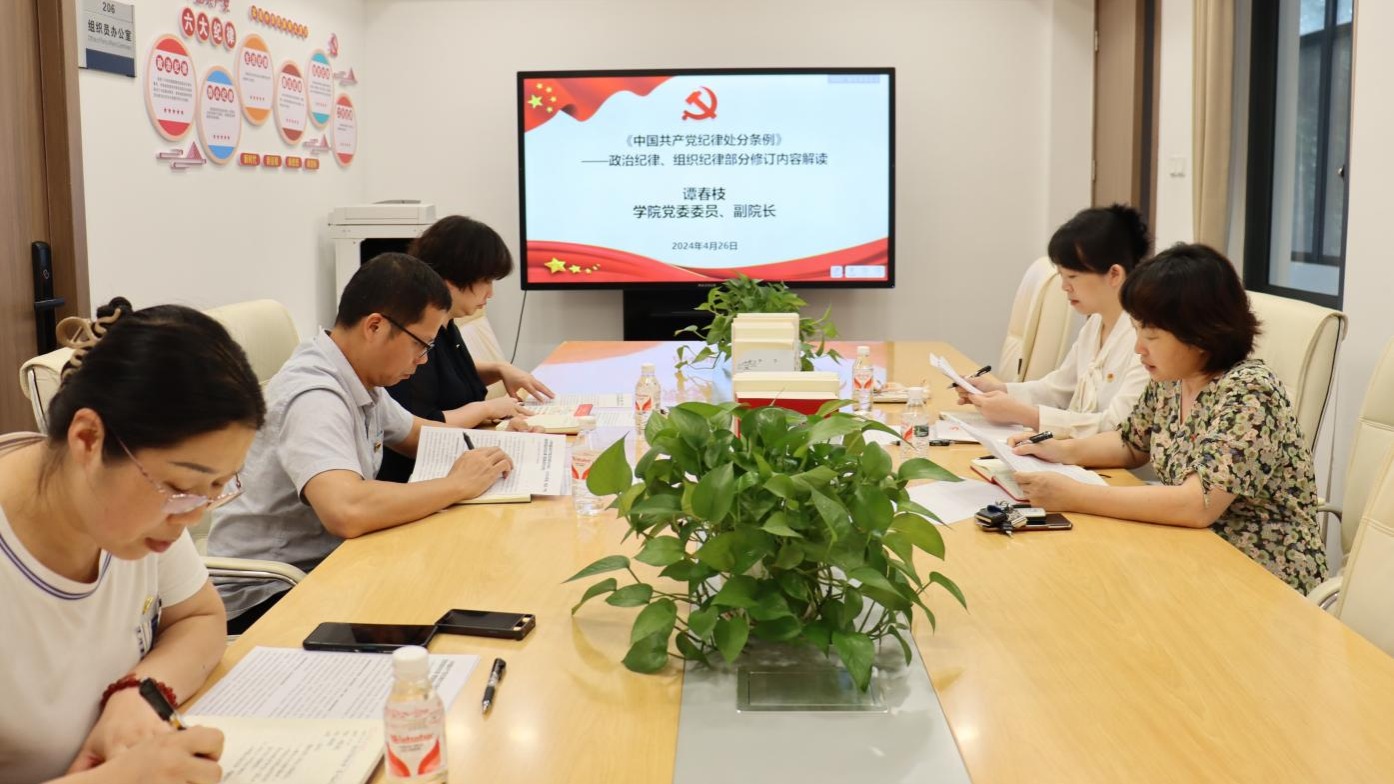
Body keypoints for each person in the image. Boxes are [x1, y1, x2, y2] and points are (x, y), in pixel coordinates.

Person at [0, 297, 266, 783]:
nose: (192, 515)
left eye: (216, 488)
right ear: (88, 439)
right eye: (183, 486)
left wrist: (136, 692)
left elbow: (200, 617)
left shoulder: (138, 515)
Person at [207, 254, 514, 633]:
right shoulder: (315, 394)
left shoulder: (359, 376)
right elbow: (346, 509)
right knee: (452, 601)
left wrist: (502, 442)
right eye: (422, 345)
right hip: (272, 593)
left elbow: (418, 435)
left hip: (336, 564)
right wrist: (456, 485)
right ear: (375, 327)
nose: (422, 360)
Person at [1011, 244, 1327, 593]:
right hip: (1190, 552)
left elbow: (1197, 504)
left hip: (1259, 575)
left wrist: (1075, 495)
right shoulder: (1173, 378)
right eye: (1136, 331)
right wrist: (1061, 450)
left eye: (1151, 336)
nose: (1138, 348)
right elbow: (1131, 443)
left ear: (1201, 335)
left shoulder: (1250, 392)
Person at [379, 215, 554, 482]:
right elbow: (422, 428)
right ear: (452, 279)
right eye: (486, 281)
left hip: (457, 457)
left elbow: (449, 375)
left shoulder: (446, 324)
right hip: (422, 475)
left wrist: (498, 369)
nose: (490, 293)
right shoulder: (416, 335)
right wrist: (487, 409)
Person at [959, 204, 1151, 438]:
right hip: (1073, 452)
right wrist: (998, 390)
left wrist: (1024, 415)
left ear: (1114, 274)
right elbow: (1058, 389)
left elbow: (1118, 427)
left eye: (1072, 276)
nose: (1064, 287)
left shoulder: (1145, 338)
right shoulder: (1095, 324)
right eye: (1061, 276)